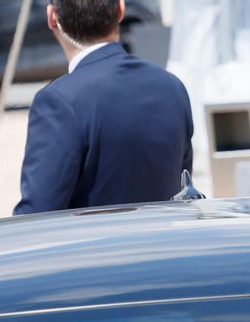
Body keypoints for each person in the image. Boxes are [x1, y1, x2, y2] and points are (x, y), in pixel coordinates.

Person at [14, 0, 194, 215]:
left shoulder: (58, 101)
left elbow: (37, 213)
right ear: (120, 10)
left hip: (93, 247)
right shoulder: (171, 87)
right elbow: (183, 188)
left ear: (52, 18)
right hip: (162, 245)